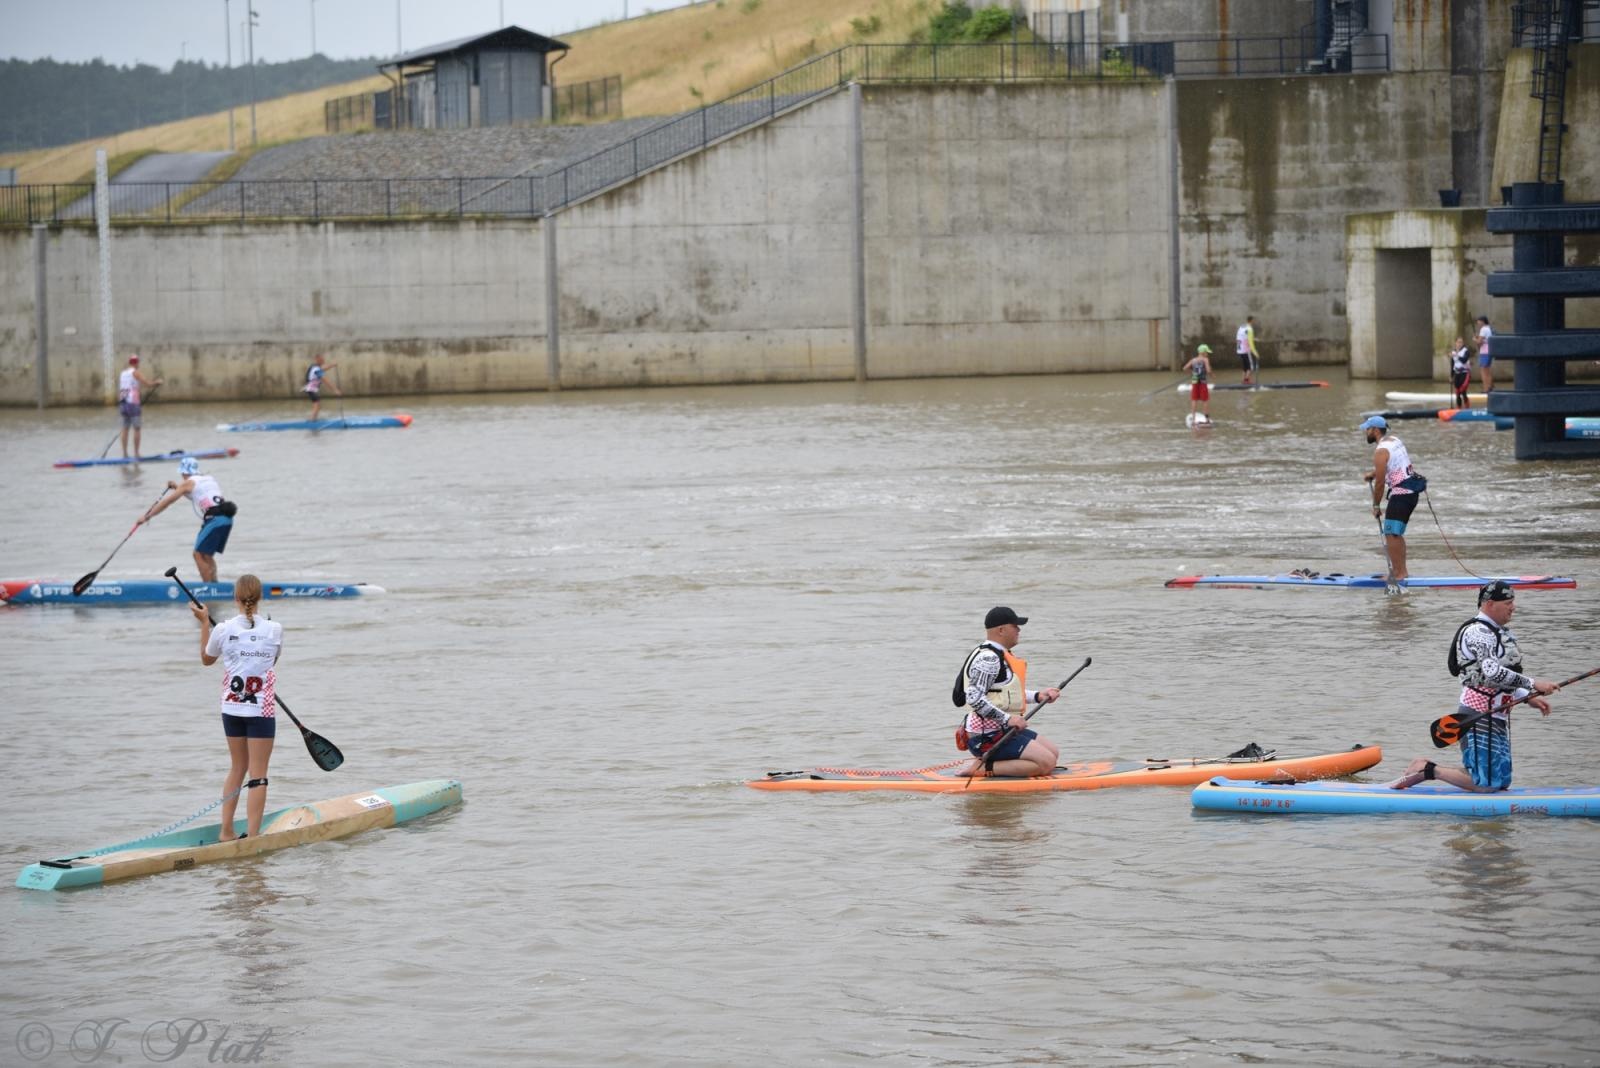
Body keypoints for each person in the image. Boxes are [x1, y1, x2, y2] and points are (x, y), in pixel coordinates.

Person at [1391, 580, 1557, 792]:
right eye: (1508, 602)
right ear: (1489, 604)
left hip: (1497, 714)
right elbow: (1491, 671)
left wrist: (1527, 696)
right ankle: (1427, 769)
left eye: (1513, 602)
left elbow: (1502, 677)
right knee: (1486, 785)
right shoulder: (1478, 632)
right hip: (1477, 714)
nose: (1513, 607)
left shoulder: (1499, 632)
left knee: (1502, 782)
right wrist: (1534, 684)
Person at [192, 574, 282, 839]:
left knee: (237, 767)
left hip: (231, 708)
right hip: (260, 710)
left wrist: (203, 624)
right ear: (260, 597)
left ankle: (226, 831)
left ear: (235, 598)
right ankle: (253, 837)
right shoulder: (275, 629)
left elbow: (207, 660)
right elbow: (271, 662)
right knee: (259, 774)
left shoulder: (222, 629)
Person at [954, 607, 1063, 777]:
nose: (1019, 629)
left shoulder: (1000, 654)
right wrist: (1008, 718)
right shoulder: (988, 658)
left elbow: (1005, 693)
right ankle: (980, 768)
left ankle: (994, 763)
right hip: (986, 736)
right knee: (1047, 763)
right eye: (1015, 626)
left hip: (1003, 730)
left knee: (1053, 753)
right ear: (1001, 630)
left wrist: (1038, 696)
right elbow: (974, 698)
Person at [139, 457, 236, 582]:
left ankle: (208, 588)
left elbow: (168, 501)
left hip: (215, 520)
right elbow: (198, 494)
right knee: (207, 555)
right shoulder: (208, 478)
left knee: (198, 554)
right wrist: (177, 487)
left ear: (184, 472)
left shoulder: (188, 483)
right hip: (227, 518)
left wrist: (147, 516)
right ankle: (215, 586)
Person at [1360, 415, 1426, 585]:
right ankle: (1401, 571)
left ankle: (1399, 574)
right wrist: (1372, 474)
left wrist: (1376, 505)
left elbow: (1381, 483)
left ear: (1375, 430)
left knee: (1391, 534)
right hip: (1411, 493)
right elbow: (1393, 465)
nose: (1365, 432)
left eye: (1367, 429)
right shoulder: (1394, 440)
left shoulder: (1380, 451)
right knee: (1395, 534)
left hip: (1402, 494)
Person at [116, 353, 164, 459]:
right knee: (137, 429)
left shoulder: (123, 373)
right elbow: (147, 383)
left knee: (125, 429)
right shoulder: (135, 372)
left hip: (123, 403)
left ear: (129, 362)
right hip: (133, 404)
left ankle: (124, 454)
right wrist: (157, 382)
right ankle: (136, 453)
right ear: (137, 363)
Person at [303, 354, 341, 421]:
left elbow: (323, 369)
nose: (323, 361)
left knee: (317, 405)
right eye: (321, 360)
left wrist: (332, 365)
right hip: (311, 389)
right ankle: (312, 420)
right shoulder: (316, 369)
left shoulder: (315, 367)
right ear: (317, 359)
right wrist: (335, 390)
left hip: (312, 389)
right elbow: (325, 380)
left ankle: (312, 419)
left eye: (323, 359)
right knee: (317, 404)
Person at [1183, 344, 1213, 423]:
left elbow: (1185, 368)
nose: (1207, 354)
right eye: (1207, 352)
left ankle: (1193, 418)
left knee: (1194, 399)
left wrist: (1192, 372)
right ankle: (1207, 419)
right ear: (1203, 352)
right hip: (1203, 381)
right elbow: (1208, 370)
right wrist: (1212, 375)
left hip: (1195, 380)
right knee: (1205, 400)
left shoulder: (1193, 360)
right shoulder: (1205, 359)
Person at [1235, 315, 1259, 386]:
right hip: (1246, 351)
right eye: (1254, 321)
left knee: (1245, 366)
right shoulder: (1250, 329)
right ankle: (1247, 380)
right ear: (1251, 321)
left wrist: (1254, 339)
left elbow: (1242, 337)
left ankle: (1243, 380)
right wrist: (1255, 353)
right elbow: (1250, 343)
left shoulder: (1241, 327)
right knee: (1251, 367)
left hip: (1239, 350)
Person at [1449, 335, 1472, 409]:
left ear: (1463, 343)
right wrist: (1451, 376)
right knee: (1457, 392)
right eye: (1458, 342)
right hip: (1457, 373)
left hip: (1465, 373)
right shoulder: (1453, 352)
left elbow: (1464, 360)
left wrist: (1457, 355)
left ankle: (1467, 407)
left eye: (1461, 342)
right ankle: (1458, 408)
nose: (1459, 344)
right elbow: (1453, 364)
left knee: (1463, 391)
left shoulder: (1466, 351)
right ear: (1455, 343)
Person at [1475, 316, 1494, 394]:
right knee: (1488, 371)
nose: (1477, 323)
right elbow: (1484, 340)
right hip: (1489, 351)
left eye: (1478, 321)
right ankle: (1490, 387)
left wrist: (1475, 339)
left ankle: (1485, 389)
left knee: (1483, 371)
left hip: (1484, 352)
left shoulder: (1483, 329)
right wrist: (1478, 338)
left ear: (1482, 321)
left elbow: (1479, 342)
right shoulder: (1489, 328)